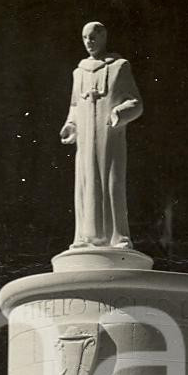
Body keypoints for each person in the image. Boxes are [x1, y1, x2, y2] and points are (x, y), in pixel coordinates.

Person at [60, 22, 143, 249]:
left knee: (111, 182)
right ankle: (87, 238)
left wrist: (119, 112)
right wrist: (70, 125)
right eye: (85, 38)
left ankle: (118, 238)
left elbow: (136, 103)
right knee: (86, 183)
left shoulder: (119, 67)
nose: (89, 42)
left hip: (110, 136)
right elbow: (75, 105)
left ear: (104, 37)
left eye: (93, 37)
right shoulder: (79, 72)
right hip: (86, 139)